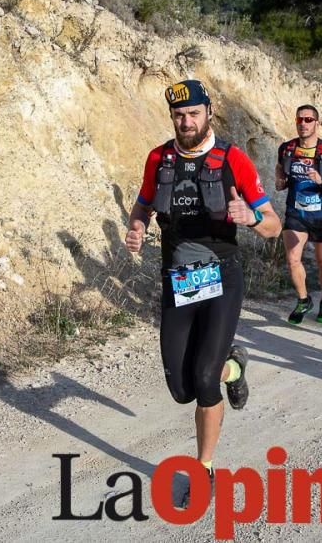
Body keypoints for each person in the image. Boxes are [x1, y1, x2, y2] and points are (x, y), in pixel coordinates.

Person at [125, 79, 282, 503]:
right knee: (181, 389)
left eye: (194, 113)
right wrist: (137, 225)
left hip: (221, 276)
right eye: (179, 115)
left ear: (209, 112)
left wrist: (249, 217)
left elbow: (273, 225)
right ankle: (236, 368)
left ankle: (205, 468)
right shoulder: (159, 158)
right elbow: (142, 203)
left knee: (204, 378)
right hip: (178, 279)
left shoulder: (232, 159)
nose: (186, 122)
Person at [276, 105, 322, 324]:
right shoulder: (287, 148)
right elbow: (279, 172)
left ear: (317, 123)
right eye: (300, 119)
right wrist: (280, 181)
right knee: (292, 258)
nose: (303, 123)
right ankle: (303, 299)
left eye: (308, 119)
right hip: (296, 212)